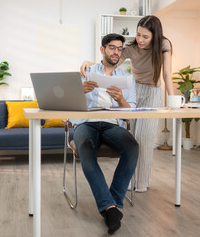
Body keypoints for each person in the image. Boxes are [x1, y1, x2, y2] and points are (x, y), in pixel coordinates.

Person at [80, 15, 174, 193]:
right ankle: (128, 179)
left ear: (155, 36)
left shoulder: (164, 45)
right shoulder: (131, 47)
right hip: (133, 89)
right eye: (138, 34)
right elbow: (111, 63)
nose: (140, 40)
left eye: (145, 37)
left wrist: (173, 100)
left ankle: (142, 182)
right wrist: (89, 63)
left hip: (153, 91)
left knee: (145, 138)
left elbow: (167, 74)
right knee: (131, 137)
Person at [71, 33, 139, 235]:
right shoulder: (86, 71)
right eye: (112, 47)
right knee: (85, 148)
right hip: (86, 123)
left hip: (112, 124)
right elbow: (69, 104)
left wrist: (121, 101)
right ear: (102, 49)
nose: (116, 52)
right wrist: (80, 91)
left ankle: (112, 202)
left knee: (133, 147)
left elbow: (131, 113)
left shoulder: (127, 79)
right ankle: (111, 209)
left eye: (119, 49)